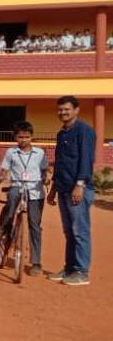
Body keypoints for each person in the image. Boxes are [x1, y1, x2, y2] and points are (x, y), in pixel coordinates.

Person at [46, 95, 96, 286]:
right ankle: (69, 268)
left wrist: (80, 185)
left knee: (80, 231)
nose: (63, 112)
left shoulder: (84, 131)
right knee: (69, 231)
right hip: (63, 188)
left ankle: (82, 271)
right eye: (60, 109)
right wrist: (53, 188)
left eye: (67, 109)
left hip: (78, 189)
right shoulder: (62, 133)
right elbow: (60, 162)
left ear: (76, 110)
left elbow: (86, 160)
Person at [0, 121, 49, 277]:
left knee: (35, 226)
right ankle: (5, 226)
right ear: (15, 137)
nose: (24, 140)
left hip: (35, 191)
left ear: (31, 136)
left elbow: (44, 170)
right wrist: (0, 178)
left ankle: (36, 262)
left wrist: (45, 178)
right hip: (17, 186)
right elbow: (4, 169)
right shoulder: (11, 152)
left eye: (27, 137)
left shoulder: (39, 153)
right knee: (12, 197)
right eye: (20, 137)